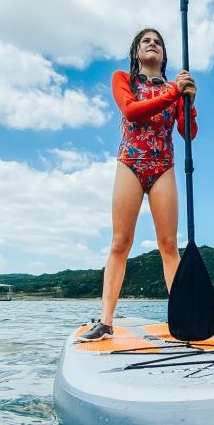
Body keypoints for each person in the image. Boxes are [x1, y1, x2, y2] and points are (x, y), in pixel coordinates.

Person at [77, 28, 197, 341]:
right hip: (131, 162)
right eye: (146, 41)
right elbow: (131, 110)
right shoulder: (124, 79)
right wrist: (173, 93)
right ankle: (105, 321)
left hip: (163, 166)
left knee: (169, 246)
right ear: (136, 51)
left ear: (164, 54)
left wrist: (189, 102)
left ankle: (182, 318)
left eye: (157, 41)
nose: (152, 44)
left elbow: (189, 133)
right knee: (121, 242)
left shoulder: (175, 88)